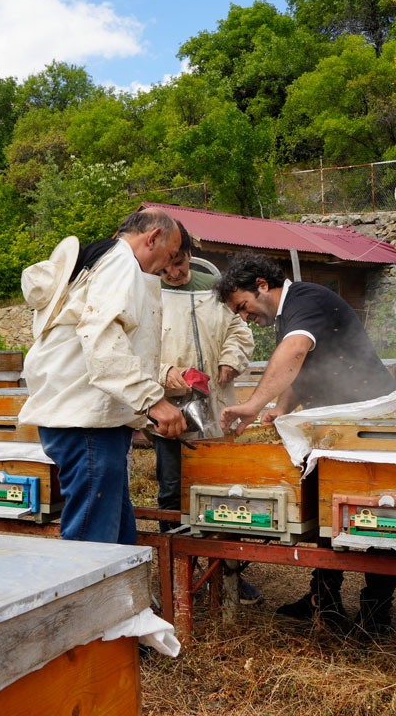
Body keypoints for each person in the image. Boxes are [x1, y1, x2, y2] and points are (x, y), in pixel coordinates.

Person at [216, 252, 396, 635]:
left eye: (244, 307)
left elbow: (296, 351)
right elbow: (304, 371)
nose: (245, 317)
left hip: (367, 416)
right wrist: (276, 411)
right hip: (334, 419)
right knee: (322, 504)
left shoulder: (305, 300)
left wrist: (253, 402)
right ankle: (324, 598)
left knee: (372, 511)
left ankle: (376, 611)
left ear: (262, 286)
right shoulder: (293, 313)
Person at [18, 208, 188, 546]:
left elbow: (121, 344)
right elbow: (102, 338)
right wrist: (152, 401)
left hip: (88, 421)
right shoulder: (120, 262)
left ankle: (126, 599)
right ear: (152, 237)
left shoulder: (103, 258)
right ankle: (78, 600)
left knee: (117, 535)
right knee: (91, 545)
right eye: (169, 256)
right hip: (86, 424)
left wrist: (158, 378)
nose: (169, 268)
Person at [156, 232, 259, 602]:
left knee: (221, 495)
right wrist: (166, 372)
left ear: (188, 255)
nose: (172, 272)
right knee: (172, 493)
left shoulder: (214, 289)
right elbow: (133, 350)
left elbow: (239, 331)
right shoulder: (146, 291)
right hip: (169, 411)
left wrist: (231, 360)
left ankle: (225, 574)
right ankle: (175, 576)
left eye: (179, 263)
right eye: (165, 266)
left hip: (215, 408)